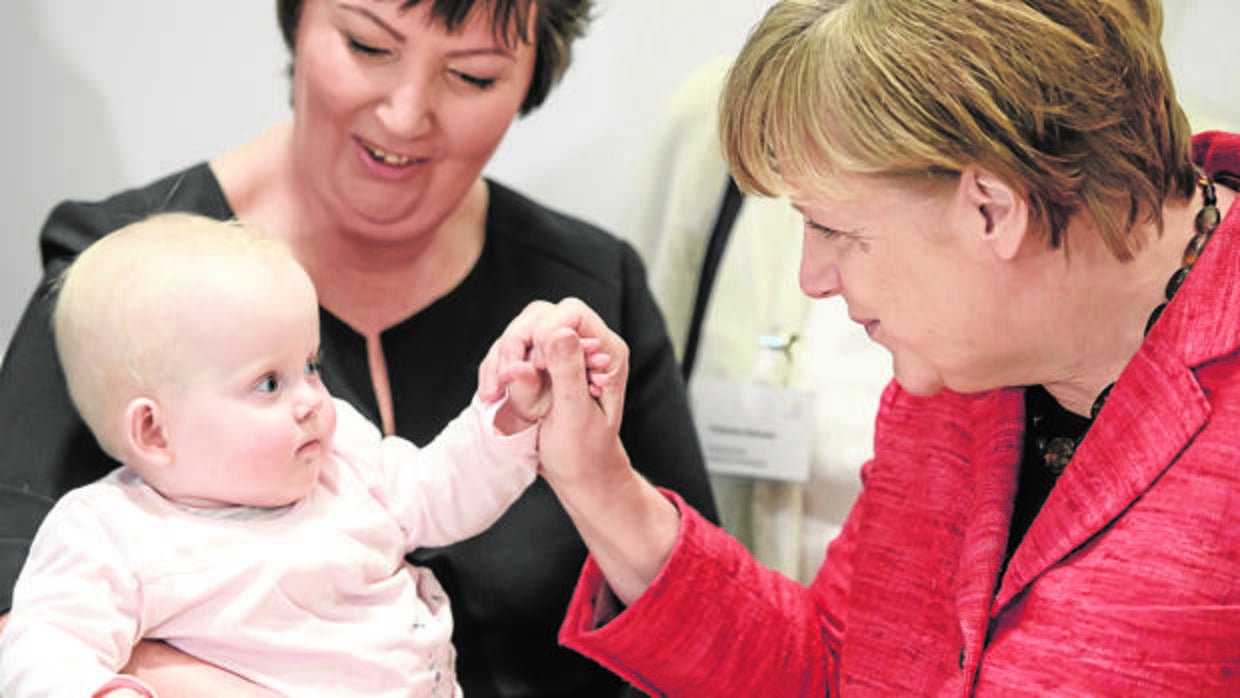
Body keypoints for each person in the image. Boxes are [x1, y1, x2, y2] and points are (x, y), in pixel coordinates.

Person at [480, 0, 1240, 694]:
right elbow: (835, 670)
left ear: (991, 209)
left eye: (835, 230)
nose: (812, 277)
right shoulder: (958, 377)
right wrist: (596, 481)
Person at [0, 2, 716, 696]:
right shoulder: (124, 297)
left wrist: (514, 422)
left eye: (471, 76)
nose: (405, 114)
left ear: (532, 80)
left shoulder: (578, 296)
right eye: (369, 46)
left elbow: (442, 489)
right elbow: (32, 640)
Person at [0, 213, 609, 697]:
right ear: (155, 432)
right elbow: (43, 646)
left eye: (310, 366)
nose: (314, 400)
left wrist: (506, 416)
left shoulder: (339, 455)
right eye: (270, 383)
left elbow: (437, 493)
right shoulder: (110, 533)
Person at [630, 56, 890, 581]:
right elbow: (647, 393)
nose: (811, 277)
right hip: (740, 617)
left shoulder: (1000, 137)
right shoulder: (724, 115)